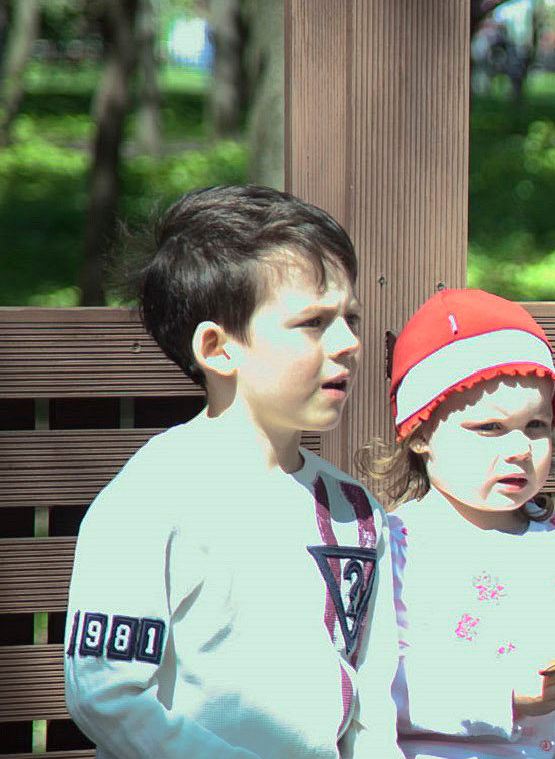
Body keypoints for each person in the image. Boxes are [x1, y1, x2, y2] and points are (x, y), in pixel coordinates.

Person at [63, 185, 401, 758]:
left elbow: (372, 700)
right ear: (218, 348)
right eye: (314, 322)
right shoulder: (152, 498)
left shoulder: (354, 510)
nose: (348, 343)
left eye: (351, 317)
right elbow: (106, 693)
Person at [370, 289, 555, 759]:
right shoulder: (395, 546)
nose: (519, 448)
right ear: (419, 434)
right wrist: (503, 697)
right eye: (489, 429)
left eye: (536, 426)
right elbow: (375, 685)